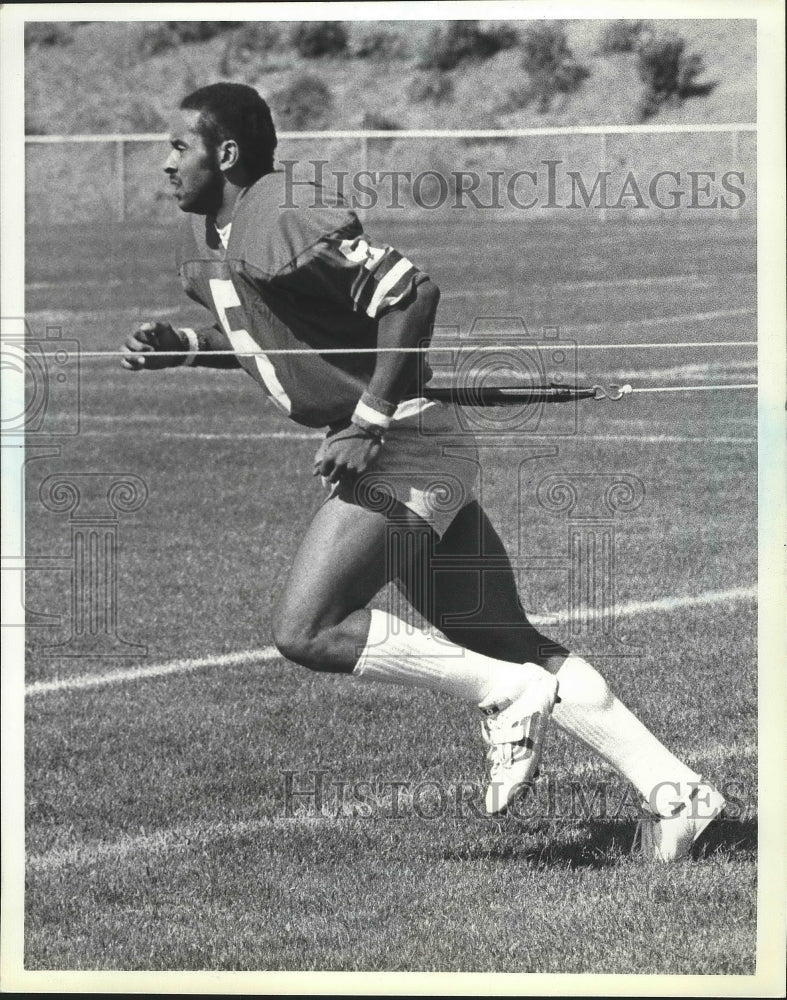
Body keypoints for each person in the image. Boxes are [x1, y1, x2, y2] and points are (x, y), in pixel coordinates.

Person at [122, 82, 724, 860]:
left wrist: (368, 422)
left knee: (308, 630)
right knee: (499, 634)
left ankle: (505, 697)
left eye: (178, 147)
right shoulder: (225, 232)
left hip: (403, 439)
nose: (165, 164)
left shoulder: (278, 213)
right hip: (415, 436)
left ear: (225, 153)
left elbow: (409, 293)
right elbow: (280, 332)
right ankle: (679, 794)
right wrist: (189, 345)